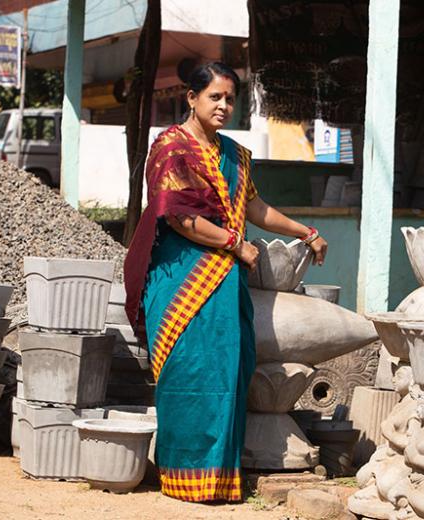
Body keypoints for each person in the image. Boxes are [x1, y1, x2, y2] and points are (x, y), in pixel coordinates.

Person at [123, 62, 328, 503]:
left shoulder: (234, 155)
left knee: (226, 372)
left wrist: (303, 232)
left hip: (226, 281)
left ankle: (217, 479)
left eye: (230, 99)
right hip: (182, 278)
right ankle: (180, 476)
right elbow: (177, 216)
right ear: (192, 98)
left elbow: (255, 208)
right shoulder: (170, 148)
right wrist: (234, 243)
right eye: (214, 96)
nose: (223, 106)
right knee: (187, 372)